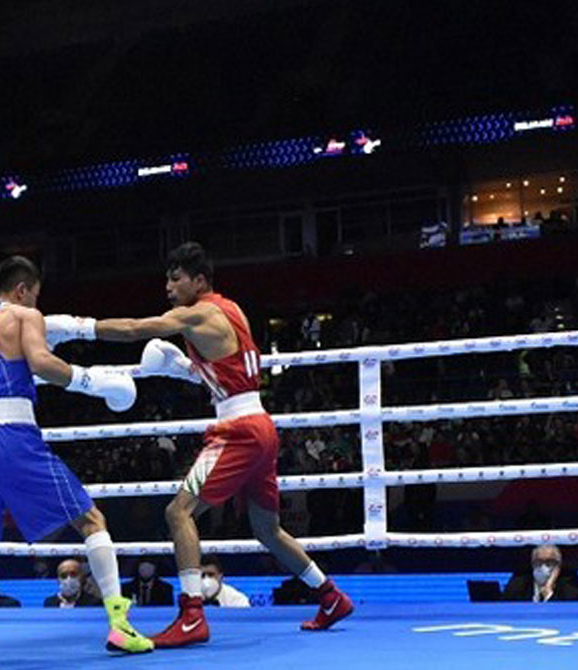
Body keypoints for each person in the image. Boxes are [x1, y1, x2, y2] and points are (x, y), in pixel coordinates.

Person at [45, 242, 354, 647]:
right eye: (167, 280)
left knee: (179, 512)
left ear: (200, 280)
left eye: (176, 279)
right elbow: (227, 369)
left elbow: (139, 329)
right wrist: (186, 368)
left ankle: (192, 614)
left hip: (238, 430)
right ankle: (330, 596)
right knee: (267, 529)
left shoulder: (196, 313)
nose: (169, 288)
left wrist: (75, 327)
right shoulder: (232, 310)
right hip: (259, 423)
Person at [0, 256, 153, 658]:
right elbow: (41, 363)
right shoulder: (24, 316)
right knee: (91, 520)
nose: (35, 302)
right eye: (35, 295)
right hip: (13, 435)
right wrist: (93, 381)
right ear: (23, 290)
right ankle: (120, 625)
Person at [502, 544, 578, 602]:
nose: (543, 567)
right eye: (538, 562)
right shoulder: (519, 581)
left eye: (550, 562)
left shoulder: (571, 582)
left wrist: (549, 595)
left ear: (558, 565)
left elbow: (572, 613)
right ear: (532, 563)